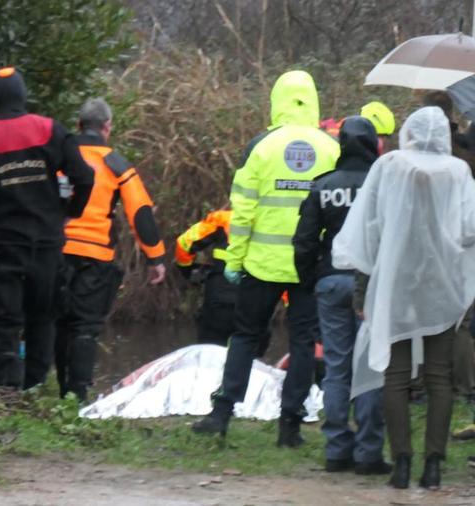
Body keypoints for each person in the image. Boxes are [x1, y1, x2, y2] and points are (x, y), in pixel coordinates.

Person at [332, 106, 475, 490]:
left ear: (408, 132)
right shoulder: (458, 172)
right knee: (439, 375)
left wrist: (364, 285)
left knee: (395, 375)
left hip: (396, 281)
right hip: (440, 283)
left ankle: (402, 462)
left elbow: (368, 228)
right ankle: (434, 465)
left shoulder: (389, 166)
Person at [191, 70, 340, 446]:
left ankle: (221, 414)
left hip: (261, 263)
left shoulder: (261, 146)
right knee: (304, 342)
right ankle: (290, 427)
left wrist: (235, 262)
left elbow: (241, 211)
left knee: (244, 336)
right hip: (308, 266)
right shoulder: (330, 147)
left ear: (276, 100)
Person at [0, 67, 94, 389]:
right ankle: (34, 386)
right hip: (48, 242)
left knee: (6, 317)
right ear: (24, 95)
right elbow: (85, 176)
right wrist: (70, 212)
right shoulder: (51, 129)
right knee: (43, 315)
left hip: (5, 243)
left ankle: (7, 390)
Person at [292, 116, 390, 474]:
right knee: (369, 369)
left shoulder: (323, 186)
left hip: (330, 283)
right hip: (373, 287)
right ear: (372, 146)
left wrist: (309, 281)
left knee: (336, 368)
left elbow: (303, 242)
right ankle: (368, 453)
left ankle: (336, 450)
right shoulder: (384, 187)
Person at [55, 98, 166, 402]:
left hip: (56, 251)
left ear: (79, 124)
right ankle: (77, 396)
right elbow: (140, 213)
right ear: (107, 127)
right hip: (96, 255)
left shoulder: (59, 155)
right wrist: (155, 256)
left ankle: (58, 389)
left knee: (59, 322)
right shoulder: (116, 163)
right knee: (85, 327)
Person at [174, 208, 236, 345]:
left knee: (211, 348)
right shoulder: (274, 222)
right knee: (250, 349)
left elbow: (184, 243)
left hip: (220, 293)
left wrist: (187, 270)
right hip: (257, 295)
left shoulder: (223, 219)